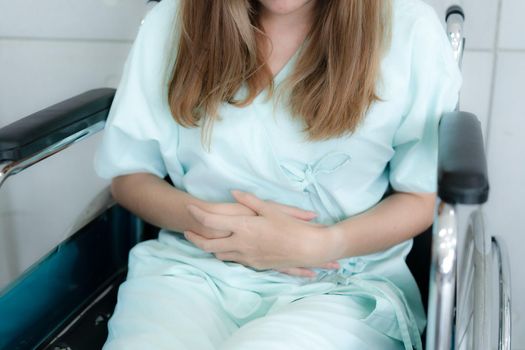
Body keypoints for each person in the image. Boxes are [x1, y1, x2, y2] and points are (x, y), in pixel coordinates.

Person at [93, 0, 462, 348]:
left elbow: (421, 195)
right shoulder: (175, 22)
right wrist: (212, 224)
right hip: (193, 275)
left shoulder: (408, 31)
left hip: (342, 287)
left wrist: (322, 245)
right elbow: (131, 175)